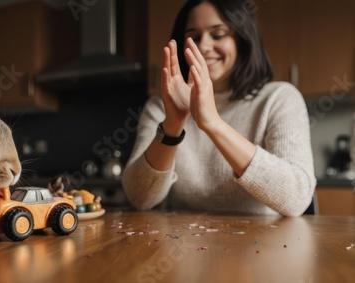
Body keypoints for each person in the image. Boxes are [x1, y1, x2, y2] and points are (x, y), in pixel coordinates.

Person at [122, 0, 316, 216]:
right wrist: (172, 125)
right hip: (183, 246)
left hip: (264, 246)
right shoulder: (161, 106)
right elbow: (140, 198)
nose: (203, 46)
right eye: (194, 37)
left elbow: (297, 198)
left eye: (218, 34)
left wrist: (213, 124)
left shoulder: (279, 98)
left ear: (242, 39)